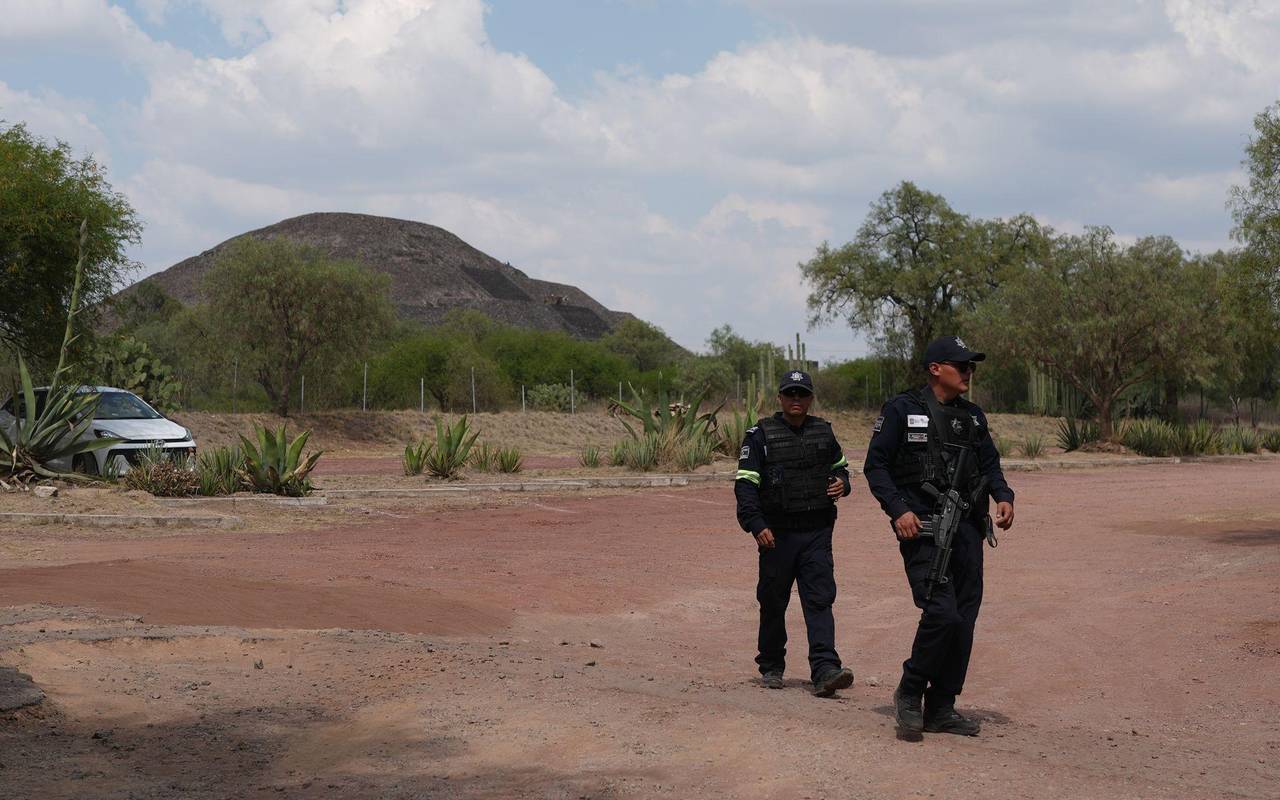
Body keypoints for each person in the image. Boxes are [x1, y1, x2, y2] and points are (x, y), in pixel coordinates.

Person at [864, 336, 1015, 736]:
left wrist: (1003, 496)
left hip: (968, 532)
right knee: (942, 613)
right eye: (961, 365)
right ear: (936, 369)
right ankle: (910, 691)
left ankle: (942, 706)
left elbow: (990, 463)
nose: (969, 372)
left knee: (963, 620)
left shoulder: (973, 416)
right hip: (925, 531)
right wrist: (898, 509)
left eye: (971, 367)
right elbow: (875, 466)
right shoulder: (902, 409)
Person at [735, 370, 855, 697]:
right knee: (774, 602)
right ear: (780, 398)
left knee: (819, 599)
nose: (796, 400)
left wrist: (843, 483)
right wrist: (756, 525)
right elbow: (745, 486)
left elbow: (841, 469)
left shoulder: (824, 432)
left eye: (802, 394)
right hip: (777, 535)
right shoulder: (760, 435)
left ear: (811, 398)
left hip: (817, 533)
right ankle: (772, 665)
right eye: (790, 394)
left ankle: (825, 669)